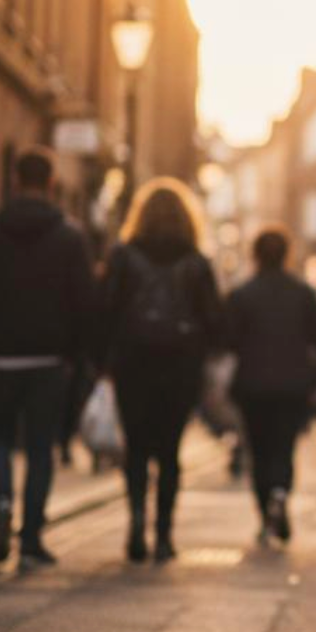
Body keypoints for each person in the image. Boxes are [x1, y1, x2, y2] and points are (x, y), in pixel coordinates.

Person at [0, 146, 94, 568]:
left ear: (14, 180)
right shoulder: (70, 238)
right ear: (51, 184)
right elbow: (83, 302)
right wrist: (74, 353)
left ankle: (1, 503)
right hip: (49, 361)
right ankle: (31, 537)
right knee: (40, 449)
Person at [97, 178, 222, 563]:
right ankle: (164, 534)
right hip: (181, 364)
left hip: (133, 362)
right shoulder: (197, 262)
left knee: (136, 448)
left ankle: (136, 520)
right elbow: (215, 320)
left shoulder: (123, 255)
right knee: (169, 452)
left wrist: (102, 364)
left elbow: (105, 310)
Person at [224, 225, 316, 544]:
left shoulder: (242, 295)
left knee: (259, 449)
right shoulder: (304, 294)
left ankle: (264, 511)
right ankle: (281, 493)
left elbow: (228, 339)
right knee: (284, 446)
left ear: (255, 254)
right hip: (292, 385)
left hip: (253, 385)